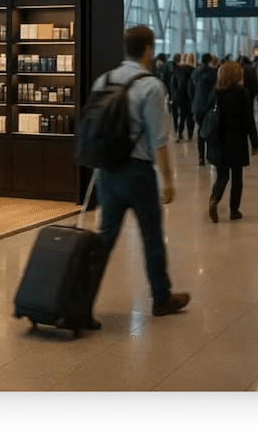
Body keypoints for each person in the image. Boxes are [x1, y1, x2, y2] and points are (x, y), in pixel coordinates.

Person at [92, 25, 190, 318]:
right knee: (151, 236)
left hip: (107, 171)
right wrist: (168, 181)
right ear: (148, 49)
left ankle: (79, 297)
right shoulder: (151, 86)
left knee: (105, 238)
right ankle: (161, 298)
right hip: (137, 173)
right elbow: (159, 140)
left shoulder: (103, 80)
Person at [205, 62, 258, 223]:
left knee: (222, 175)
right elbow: (249, 121)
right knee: (237, 176)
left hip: (218, 140)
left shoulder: (216, 93)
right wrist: (255, 143)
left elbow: (206, 113)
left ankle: (215, 199)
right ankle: (234, 211)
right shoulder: (243, 94)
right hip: (237, 140)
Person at [191, 53, 217, 165]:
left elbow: (191, 89)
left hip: (197, 105)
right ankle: (209, 156)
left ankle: (201, 156)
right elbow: (215, 91)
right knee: (210, 130)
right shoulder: (213, 73)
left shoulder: (195, 72)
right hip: (208, 105)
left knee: (200, 130)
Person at [170, 53, 195, 142]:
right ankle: (189, 134)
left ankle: (178, 132)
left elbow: (172, 84)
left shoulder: (177, 70)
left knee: (177, 116)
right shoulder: (192, 71)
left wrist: (172, 95)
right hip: (187, 96)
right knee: (187, 116)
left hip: (177, 95)